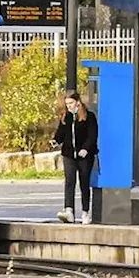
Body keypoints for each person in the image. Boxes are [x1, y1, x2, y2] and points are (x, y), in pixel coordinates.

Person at [52, 93, 98, 224]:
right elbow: (61, 133)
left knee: (84, 183)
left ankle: (85, 212)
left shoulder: (89, 117)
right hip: (69, 154)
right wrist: (56, 140)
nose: (69, 106)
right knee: (69, 182)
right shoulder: (66, 117)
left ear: (78, 102)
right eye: (67, 104)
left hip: (84, 155)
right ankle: (69, 210)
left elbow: (92, 135)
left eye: (71, 103)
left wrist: (86, 148)